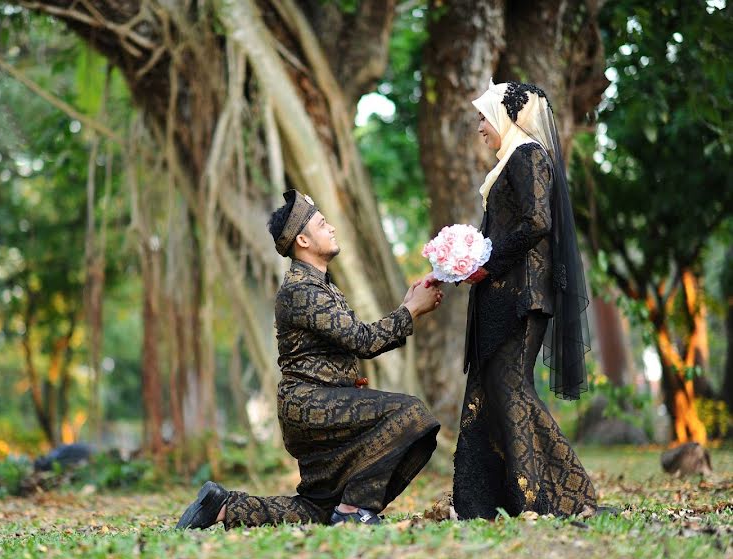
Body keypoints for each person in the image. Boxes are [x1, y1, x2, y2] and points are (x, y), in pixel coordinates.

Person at [176, 189, 443, 529]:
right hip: (312, 407)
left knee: (317, 509)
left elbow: (353, 337)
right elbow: (363, 340)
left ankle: (225, 507)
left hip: (318, 407)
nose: (331, 227)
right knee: (412, 415)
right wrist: (411, 310)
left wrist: (408, 305)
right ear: (302, 239)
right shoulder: (300, 290)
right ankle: (354, 510)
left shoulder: (321, 286)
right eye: (322, 223)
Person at [440, 80, 598, 519]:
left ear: (507, 117)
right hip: (500, 297)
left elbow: (537, 222)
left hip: (521, 296)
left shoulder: (528, 155)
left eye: (483, 118)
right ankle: (485, 501)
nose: (479, 128)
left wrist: (486, 262)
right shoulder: (510, 160)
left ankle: (556, 496)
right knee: (491, 391)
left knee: (510, 390)